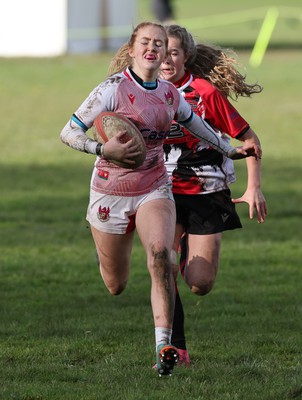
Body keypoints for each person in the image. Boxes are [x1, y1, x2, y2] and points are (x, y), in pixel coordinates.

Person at [60, 22, 261, 376]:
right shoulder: (111, 89)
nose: (154, 49)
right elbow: (68, 131)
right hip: (111, 191)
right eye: (147, 43)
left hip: (156, 186)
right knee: (115, 284)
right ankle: (105, 253)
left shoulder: (170, 93)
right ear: (133, 49)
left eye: (160, 44)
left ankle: (165, 348)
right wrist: (100, 147)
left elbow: (196, 124)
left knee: (160, 257)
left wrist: (229, 151)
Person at [159, 24, 267, 365]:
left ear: (186, 56)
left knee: (200, 283)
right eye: (161, 51)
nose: (166, 59)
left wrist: (254, 188)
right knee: (163, 266)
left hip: (207, 191)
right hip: (161, 193)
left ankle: (191, 242)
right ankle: (175, 348)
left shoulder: (203, 92)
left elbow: (250, 141)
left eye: (174, 52)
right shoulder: (143, 92)